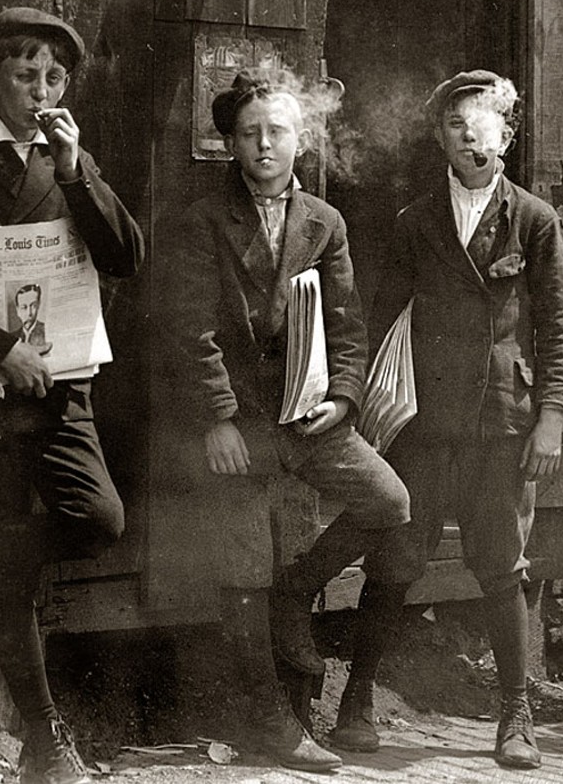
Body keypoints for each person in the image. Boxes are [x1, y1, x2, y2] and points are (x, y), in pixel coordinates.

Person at [0, 6, 144, 784]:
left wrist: (76, 173)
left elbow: (124, 256)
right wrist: (0, 352)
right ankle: (45, 739)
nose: (40, 91)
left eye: (53, 77)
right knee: (13, 576)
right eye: (24, 75)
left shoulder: (68, 163)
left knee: (96, 518)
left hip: (59, 392)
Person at [166, 69, 412, 773]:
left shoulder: (323, 224)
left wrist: (342, 398)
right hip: (238, 425)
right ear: (232, 145)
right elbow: (190, 331)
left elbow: (348, 325)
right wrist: (217, 420)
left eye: (278, 131)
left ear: (300, 139)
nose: (265, 144)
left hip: (311, 417)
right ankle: (271, 723)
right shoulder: (202, 220)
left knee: (390, 501)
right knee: (242, 562)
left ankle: (297, 590)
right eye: (250, 134)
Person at [335, 71, 563, 769]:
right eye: (455, 126)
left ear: (510, 132)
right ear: (439, 138)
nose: (471, 138)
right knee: (397, 560)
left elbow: (559, 327)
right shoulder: (416, 224)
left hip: (502, 425)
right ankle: (356, 698)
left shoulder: (534, 220)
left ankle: (516, 715)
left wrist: (553, 416)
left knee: (503, 569)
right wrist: (364, 408)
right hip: (424, 427)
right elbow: (379, 322)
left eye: (485, 123)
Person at [14, 283, 49, 348]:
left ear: (38, 305)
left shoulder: (47, 331)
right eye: (23, 307)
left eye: (33, 306)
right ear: (17, 310)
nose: (29, 313)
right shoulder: (12, 337)